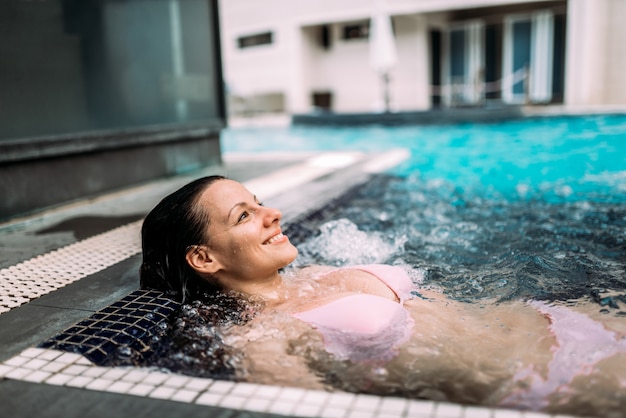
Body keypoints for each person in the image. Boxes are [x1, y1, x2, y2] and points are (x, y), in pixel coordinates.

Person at [140, 175, 626, 416]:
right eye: (243, 216)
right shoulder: (259, 336)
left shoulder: (316, 271)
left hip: (562, 321)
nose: (274, 214)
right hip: (553, 378)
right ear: (203, 258)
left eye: (260, 203)